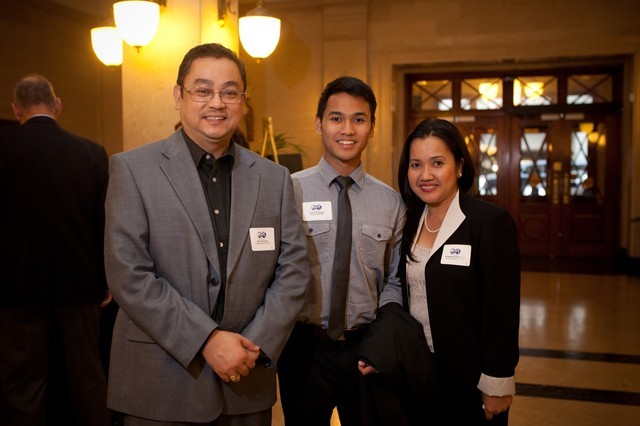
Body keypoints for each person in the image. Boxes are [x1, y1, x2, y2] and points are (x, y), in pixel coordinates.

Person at [104, 43, 310, 425]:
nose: (217, 102)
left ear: (243, 102)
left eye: (229, 92)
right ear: (178, 96)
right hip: (160, 384)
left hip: (246, 384)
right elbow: (128, 274)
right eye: (202, 90)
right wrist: (207, 340)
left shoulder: (274, 178)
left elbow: (294, 270)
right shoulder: (133, 170)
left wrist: (253, 347)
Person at [277, 76, 406, 426]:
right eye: (336, 118)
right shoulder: (288, 191)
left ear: (372, 127)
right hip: (303, 348)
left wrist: (382, 344)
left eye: (359, 119)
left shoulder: (391, 202)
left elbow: (395, 281)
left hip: (365, 350)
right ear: (319, 123)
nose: (347, 129)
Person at [380, 118, 520, 424]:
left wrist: (497, 382)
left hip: (469, 381)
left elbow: (502, 309)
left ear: (459, 166)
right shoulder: (408, 222)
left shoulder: (488, 222)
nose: (425, 175)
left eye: (437, 163)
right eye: (416, 165)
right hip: (415, 374)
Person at [0, 74, 112, 425]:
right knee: (87, 378)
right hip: (79, 286)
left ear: (17, 109)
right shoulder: (91, 152)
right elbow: (104, 223)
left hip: (14, 286)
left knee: (21, 384)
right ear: (57, 105)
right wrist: (107, 279)